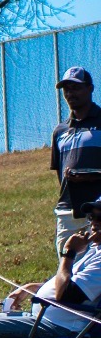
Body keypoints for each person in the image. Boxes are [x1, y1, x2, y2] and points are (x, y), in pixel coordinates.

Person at [51, 67, 101, 257]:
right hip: (67, 213)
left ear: (90, 88)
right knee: (66, 269)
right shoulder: (60, 131)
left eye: (76, 88)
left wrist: (90, 176)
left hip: (98, 211)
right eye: (67, 89)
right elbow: (60, 174)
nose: (70, 93)